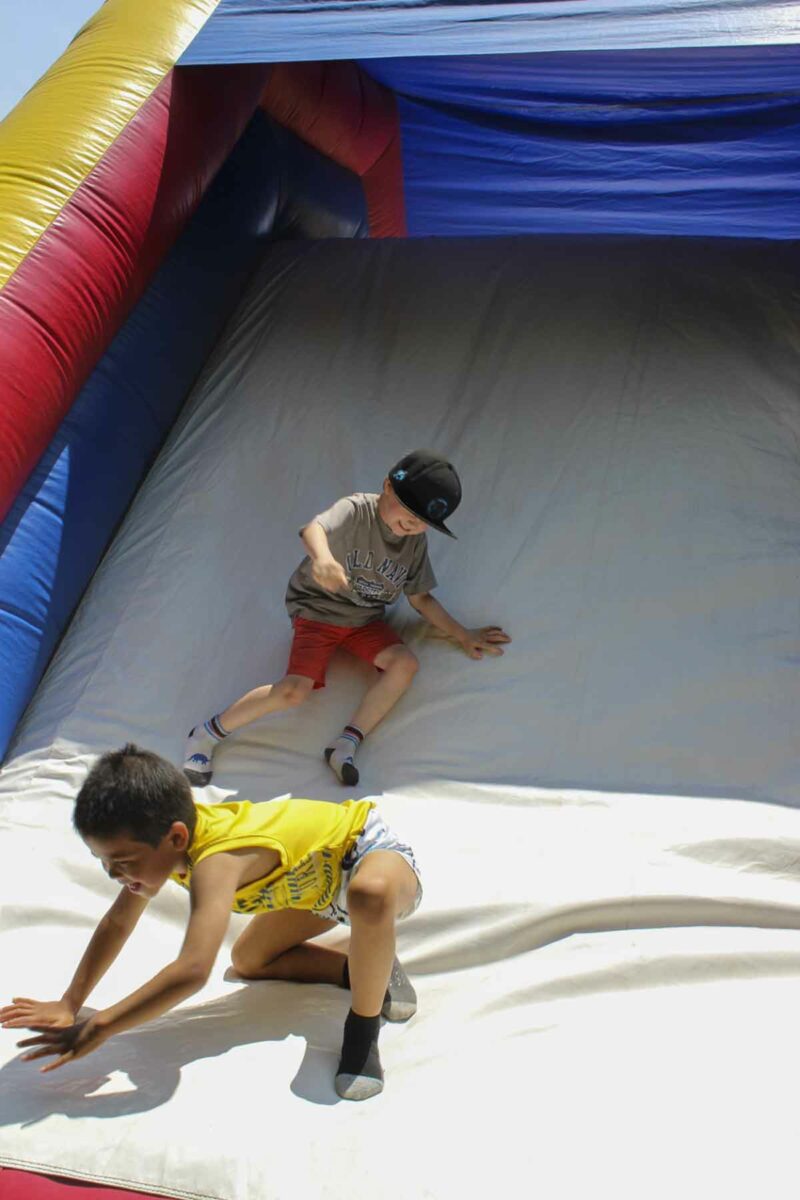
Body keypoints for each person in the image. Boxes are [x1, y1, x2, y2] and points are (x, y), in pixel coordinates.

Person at [0, 744, 422, 1101]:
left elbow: (193, 970)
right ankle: (374, 967)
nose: (114, 875)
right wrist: (70, 1002)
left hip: (367, 856)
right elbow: (116, 923)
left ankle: (364, 1028)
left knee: (370, 895)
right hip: (315, 893)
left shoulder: (215, 861)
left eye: (123, 863)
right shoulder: (162, 851)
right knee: (250, 961)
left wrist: (101, 1026)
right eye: (105, 863)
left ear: (177, 838)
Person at [183, 449, 511, 787]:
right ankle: (206, 735)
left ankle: (346, 743)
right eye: (410, 511)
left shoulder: (414, 544)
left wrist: (462, 635)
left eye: (423, 521)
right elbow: (313, 530)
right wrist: (323, 560)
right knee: (294, 692)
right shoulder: (357, 510)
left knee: (405, 664)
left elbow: (421, 598)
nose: (413, 524)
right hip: (317, 611)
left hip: (363, 620)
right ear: (387, 486)